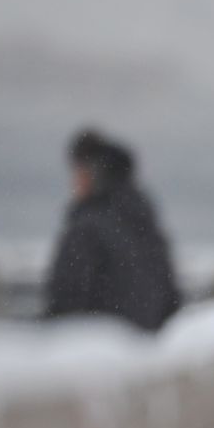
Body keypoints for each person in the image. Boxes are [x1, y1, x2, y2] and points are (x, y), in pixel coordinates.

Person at [43, 127, 182, 330]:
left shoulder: (87, 230)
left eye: (78, 172)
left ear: (93, 174)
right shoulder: (147, 228)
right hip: (149, 352)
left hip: (96, 351)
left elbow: (65, 304)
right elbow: (171, 302)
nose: (73, 183)